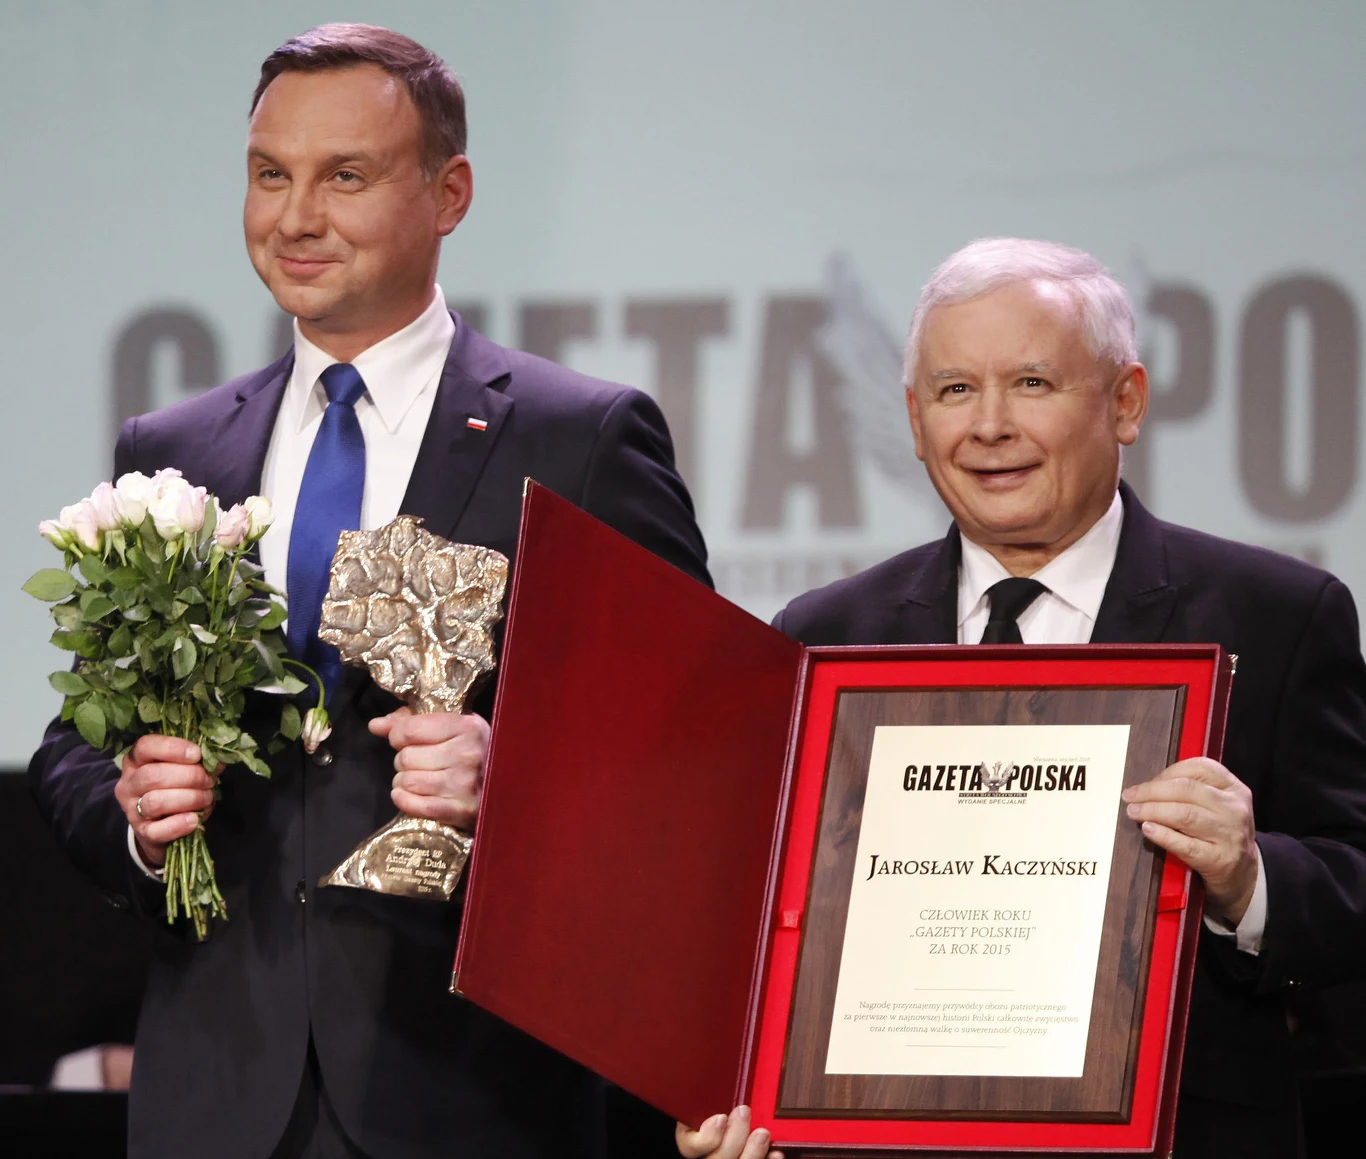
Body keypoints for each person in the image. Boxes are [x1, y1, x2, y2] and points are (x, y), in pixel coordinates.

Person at [30, 23, 708, 1159]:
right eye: (269, 175)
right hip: (217, 1093)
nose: (296, 217)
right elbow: (74, 745)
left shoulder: (578, 436)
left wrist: (512, 781)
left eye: (345, 176)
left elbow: (692, 756)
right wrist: (138, 818)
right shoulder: (178, 445)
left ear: (450, 193)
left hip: (475, 1096)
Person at [680, 238, 1366, 1159]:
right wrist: (738, 1095)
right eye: (956, 390)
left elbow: (1353, 887)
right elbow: (760, 920)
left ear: (1126, 402)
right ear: (915, 420)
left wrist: (1248, 877)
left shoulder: (1277, 616)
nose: (990, 426)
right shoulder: (825, 634)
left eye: (1033, 384)